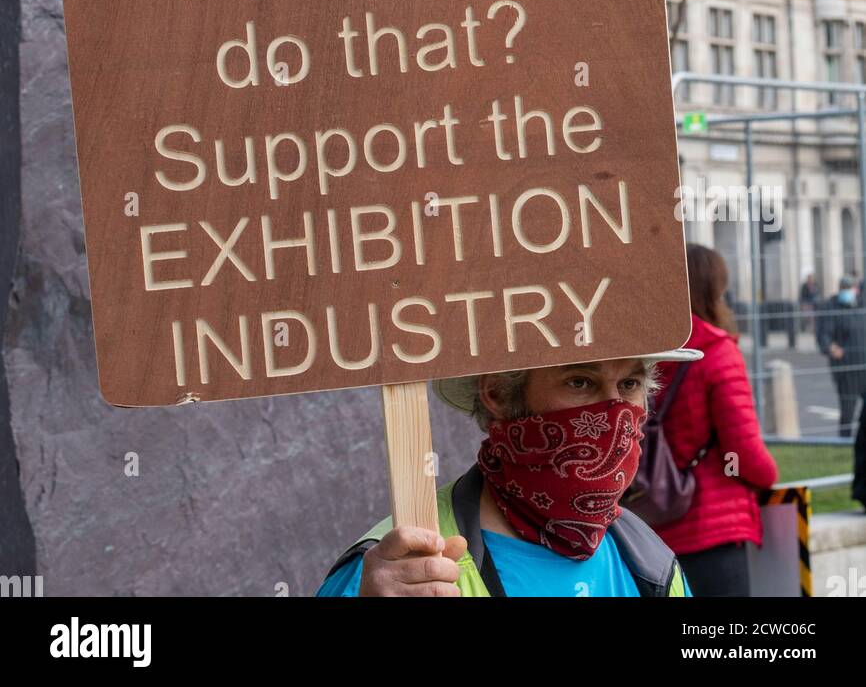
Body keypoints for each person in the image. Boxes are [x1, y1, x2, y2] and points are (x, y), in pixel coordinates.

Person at [316, 350, 701, 598]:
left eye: (630, 384)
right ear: (499, 394)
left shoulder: (647, 561)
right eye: (580, 381)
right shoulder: (395, 571)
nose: (615, 412)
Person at [652, 244, 778, 598]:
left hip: (648, 530)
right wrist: (763, 475)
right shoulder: (718, 352)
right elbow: (743, 454)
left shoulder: (647, 350)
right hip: (711, 529)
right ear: (713, 289)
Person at [817, 275, 866, 439]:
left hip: (864, 366)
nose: (849, 292)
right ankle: (844, 443)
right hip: (846, 370)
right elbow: (824, 336)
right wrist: (831, 347)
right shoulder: (832, 308)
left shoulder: (861, 305)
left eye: (851, 288)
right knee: (848, 411)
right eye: (845, 288)